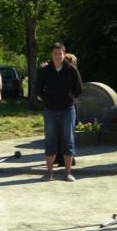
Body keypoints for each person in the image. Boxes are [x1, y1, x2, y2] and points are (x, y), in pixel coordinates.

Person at [35, 42, 83, 182]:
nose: (58, 56)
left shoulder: (71, 70)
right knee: (50, 140)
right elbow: (38, 89)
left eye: (60, 53)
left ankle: (67, 172)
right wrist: (48, 99)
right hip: (50, 111)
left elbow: (78, 88)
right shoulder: (46, 71)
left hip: (68, 111)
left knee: (68, 140)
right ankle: (49, 172)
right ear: (51, 55)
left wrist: (69, 99)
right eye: (55, 53)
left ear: (64, 54)